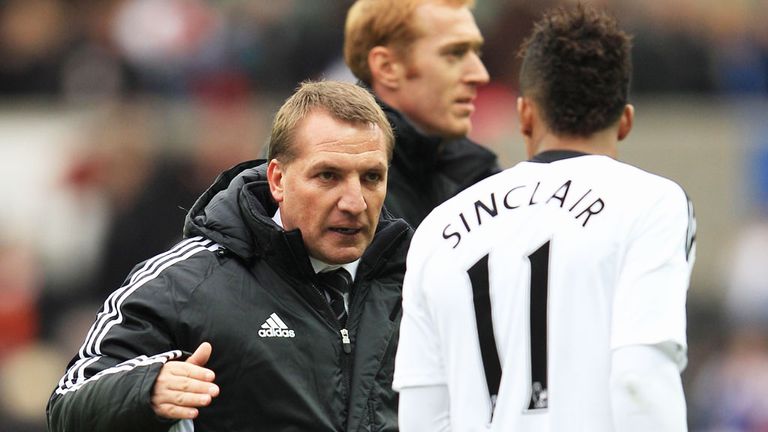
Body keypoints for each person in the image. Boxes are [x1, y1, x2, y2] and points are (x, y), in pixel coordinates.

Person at [392, 5, 696, 432]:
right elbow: (639, 378)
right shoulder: (652, 203)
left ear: (525, 115)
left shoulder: (438, 229)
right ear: (625, 121)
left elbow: (423, 415)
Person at [46, 80, 412, 432]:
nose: (354, 202)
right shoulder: (189, 281)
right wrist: (145, 389)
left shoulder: (419, 280)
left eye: (371, 177)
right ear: (278, 180)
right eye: (328, 175)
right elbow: (69, 402)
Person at [344, 0, 500, 227]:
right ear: (387, 67)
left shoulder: (478, 177)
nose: (480, 74)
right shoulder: (325, 176)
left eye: (476, 52)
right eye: (455, 53)